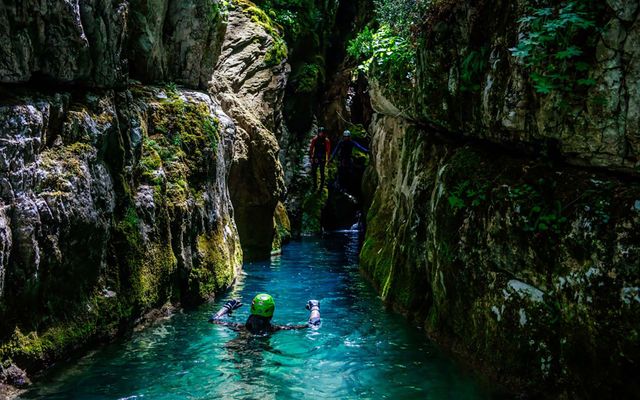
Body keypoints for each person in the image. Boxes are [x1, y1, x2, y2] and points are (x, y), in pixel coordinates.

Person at [209, 293, 321, 335]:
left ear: (252, 308)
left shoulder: (239, 327)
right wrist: (315, 308)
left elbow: (213, 319)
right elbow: (314, 324)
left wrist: (227, 307)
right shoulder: (275, 329)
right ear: (271, 314)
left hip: (235, 348)